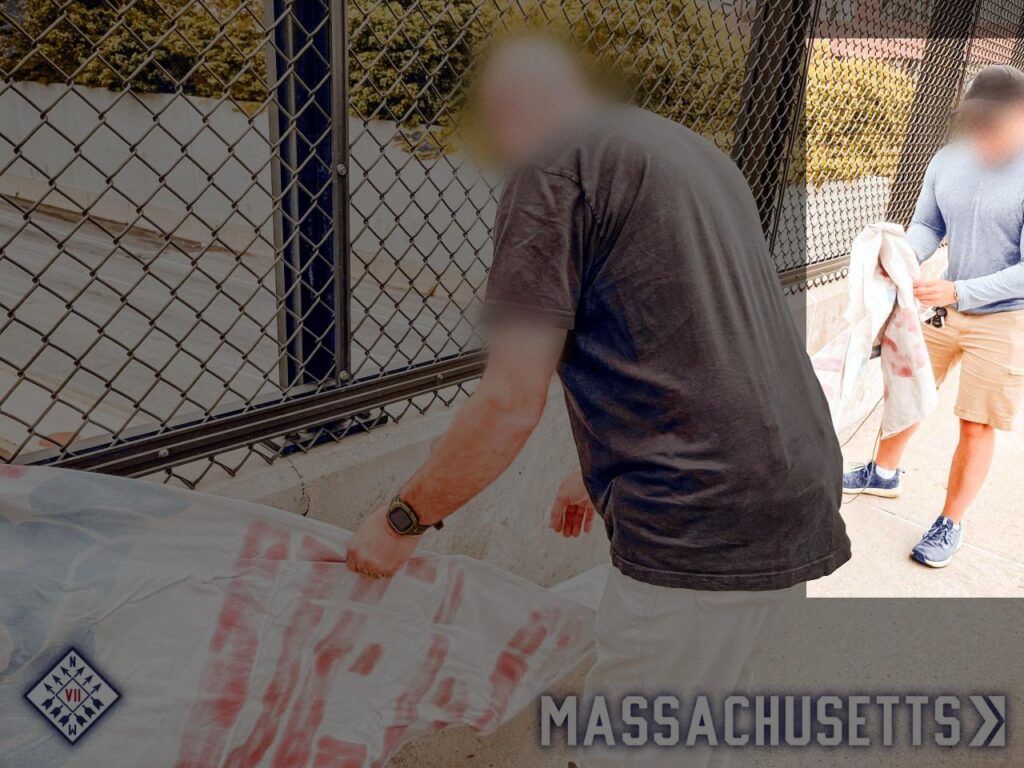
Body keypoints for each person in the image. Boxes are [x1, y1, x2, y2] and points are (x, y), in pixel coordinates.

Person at [346, 37, 850, 767]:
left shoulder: (554, 165)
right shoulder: (689, 152)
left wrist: (401, 520)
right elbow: (694, 328)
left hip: (700, 525)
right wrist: (597, 468)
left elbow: (510, 402)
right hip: (791, 491)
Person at [844, 64, 1024, 569]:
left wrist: (958, 290)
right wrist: (900, 256)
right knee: (906, 386)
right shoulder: (948, 160)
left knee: (975, 424)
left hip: (1006, 317)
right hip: (945, 303)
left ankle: (951, 520)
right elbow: (928, 223)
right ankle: (883, 473)